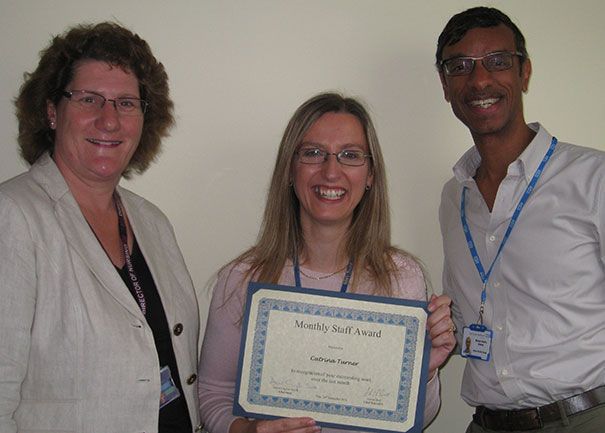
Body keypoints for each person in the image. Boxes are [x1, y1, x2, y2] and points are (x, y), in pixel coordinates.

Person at [198, 92, 456, 433]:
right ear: (290, 170)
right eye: (313, 153)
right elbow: (213, 394)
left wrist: (425, 371)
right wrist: (250, 432)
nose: (331, 171)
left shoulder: (402, 278)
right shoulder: (241, 280)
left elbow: (415, 421)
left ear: (370, 175)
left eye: (350, 155)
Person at [0, 22, 202, 432]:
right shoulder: (14, 217)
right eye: (89, 99)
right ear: (52, 112)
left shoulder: (152, 222)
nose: (109, 120)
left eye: (126, 103)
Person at [436, 6, 605, 433]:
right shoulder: (454, 196)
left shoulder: (593, 178)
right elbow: (461, 314)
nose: (479, 81)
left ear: (524, 72)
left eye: (497, 62)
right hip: (487, 423)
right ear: (445, 84)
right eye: (461, 67)